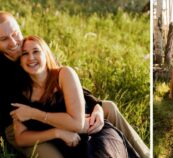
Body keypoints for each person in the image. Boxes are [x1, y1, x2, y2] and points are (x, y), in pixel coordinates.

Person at [0, 11, 149, 157]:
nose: (13, 42)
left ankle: (145, 154)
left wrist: (96, 106)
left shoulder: (32, 47)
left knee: (109, 108)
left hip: (57, 112)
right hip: (26, 129)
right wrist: (65, 129)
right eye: (4, 39)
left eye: (16, 34)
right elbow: (26, 117)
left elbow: (66, 81)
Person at [9, 35, 139, 158]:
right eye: (25, 53)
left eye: (36, 51)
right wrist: (57, 133)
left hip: (94, 134)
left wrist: (33, 114)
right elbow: (21, 138)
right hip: (69, 146)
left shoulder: (63, 74)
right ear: (20, 61)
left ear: (46, 54)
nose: (31, 57)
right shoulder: (21, 93)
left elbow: (77, 124)